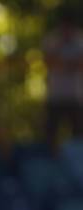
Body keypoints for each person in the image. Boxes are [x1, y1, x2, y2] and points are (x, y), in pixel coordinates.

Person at [42, 13, 83, 152]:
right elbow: (49, 61)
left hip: (75, 95)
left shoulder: (80, 40)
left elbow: (79, 64)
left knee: (78, 133)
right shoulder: (52, 39)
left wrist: (62, 64)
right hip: (55, 95)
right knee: (51, 133)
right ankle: (51, 159)